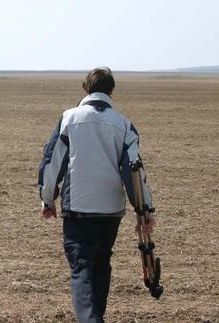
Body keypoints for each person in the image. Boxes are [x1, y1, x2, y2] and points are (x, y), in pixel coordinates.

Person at [37, 67, 156, 323]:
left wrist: (48, 199)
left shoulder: (69, 119)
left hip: (78, 209)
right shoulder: (123, 124)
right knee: (101, 265)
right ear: (111, 91)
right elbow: (134, 170)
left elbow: (52, 162)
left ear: (85, 88)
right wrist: (145, 209)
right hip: (110, 211)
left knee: (82, 269)